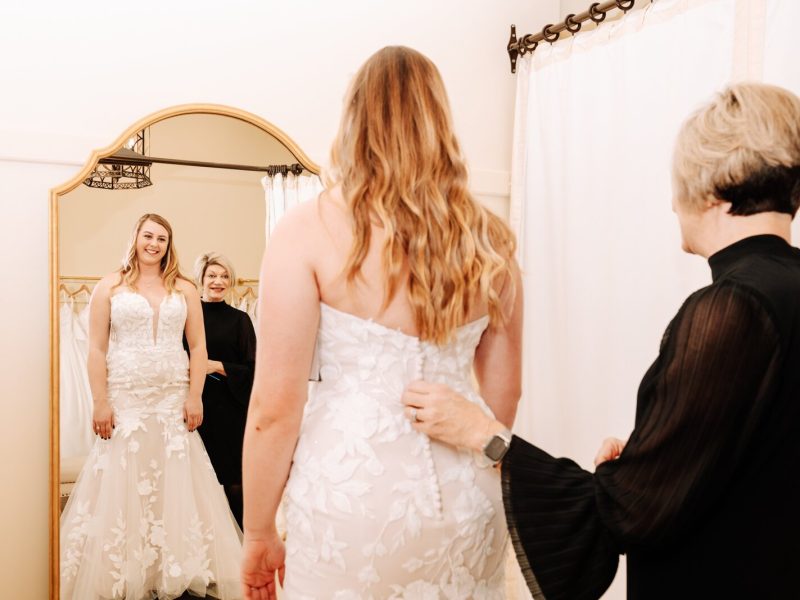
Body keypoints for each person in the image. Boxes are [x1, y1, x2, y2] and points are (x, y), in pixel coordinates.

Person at [402, 82, 800, 599]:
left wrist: (484, 435)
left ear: (708, 189)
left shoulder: (730, 307)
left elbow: (629, 511)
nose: (671, 205)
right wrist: (654, 454)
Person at [240, 46, 523, 599]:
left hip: (350, 497)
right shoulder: (491, 240)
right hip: (468, 498)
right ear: (440, 120)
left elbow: (274, 409)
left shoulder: (308, 229)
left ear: (354, 120)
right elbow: (503, 398)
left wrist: (258, 531)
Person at [60, 214, 243, 600]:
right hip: (126, 397)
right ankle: (124, 568)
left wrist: (195, 396)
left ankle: (171, 566)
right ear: (135, 238)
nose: (154, 244)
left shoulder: (184, 288)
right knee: (123, 477)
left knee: (175, 478)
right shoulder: (109, 286)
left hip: (172, 398)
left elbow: (198, 347)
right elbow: (96, 349)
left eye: (162, 238)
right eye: (148, 236)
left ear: (168, 244)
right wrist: (100, 401)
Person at [187, 252, 256, 530]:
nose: (219, 281)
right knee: (196, 482)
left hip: (231, 411)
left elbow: (253, 369)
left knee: (235, 482)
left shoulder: (240, 320)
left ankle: (245, 543)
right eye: (212, 275)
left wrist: (215, 365)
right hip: (193, 408)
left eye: (225, 276)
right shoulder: (186, 316)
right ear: (201, 279)